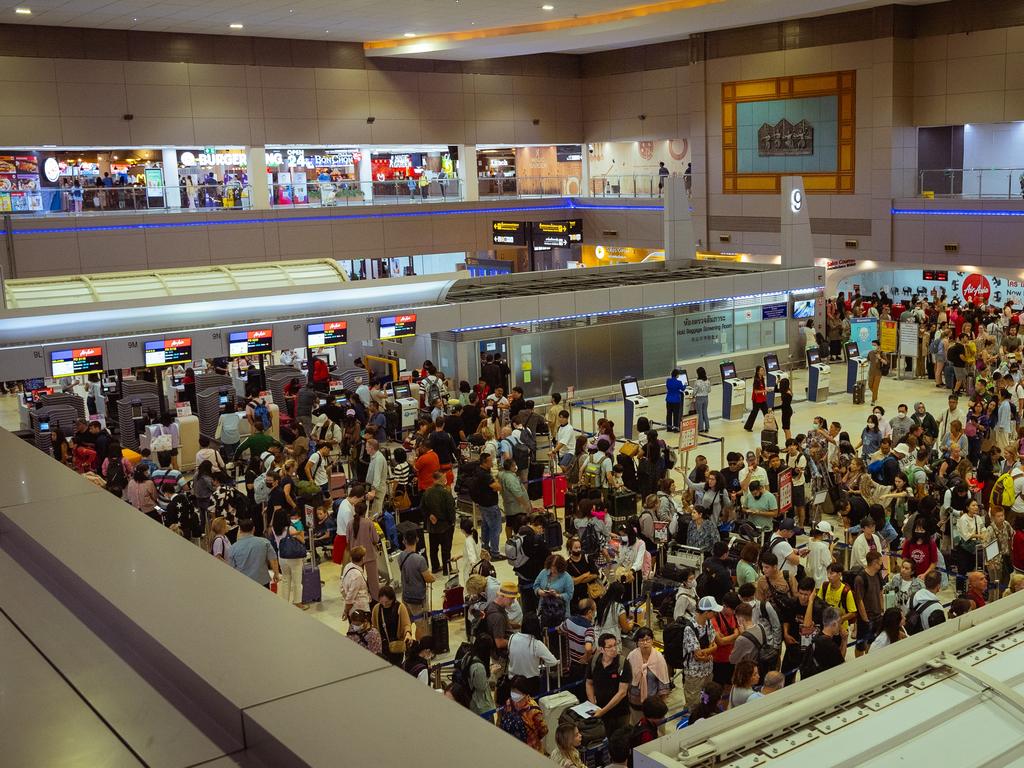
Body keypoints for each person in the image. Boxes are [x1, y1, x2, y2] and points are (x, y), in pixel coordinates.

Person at [677, 597, 719, 712]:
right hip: (694, 674)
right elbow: (698, 655)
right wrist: (711, 650)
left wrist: (706, 652)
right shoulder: (689, 628)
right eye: (713, 611)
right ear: (706, 612)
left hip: (708, 670)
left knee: (706, 700)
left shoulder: (708, 623)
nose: (715, 614)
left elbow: (712, 644)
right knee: (694, 704)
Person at [586, 632, 631, 736]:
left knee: (621, 740)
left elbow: (622, 692)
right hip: (600, 712)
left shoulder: (623, 663)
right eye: (609, 647)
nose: (614, 649)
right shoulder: (594, 662)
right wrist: (593, 704)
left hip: (620, 713)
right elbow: (589, 683)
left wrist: (603, 711)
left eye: (615, 645)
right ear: (601, 649)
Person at [507, 614, 559, 694]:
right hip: (531, 683)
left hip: (513, 681)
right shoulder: (536, 644)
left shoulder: (512, 637)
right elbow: (553, 662)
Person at [398, 529, 434, 637]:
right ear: (417, 539)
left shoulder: (400, 557)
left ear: (404, 541)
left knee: (406, 625)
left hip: (405, 596)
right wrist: (433, 577)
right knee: (422, 626)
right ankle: (421, 649)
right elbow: (428, 578)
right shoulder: (420, 559)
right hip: (418, 599)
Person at [421, 470, 456, 575]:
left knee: (433, 548)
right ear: (441, 479)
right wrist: (452, 521)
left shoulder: (427, 492)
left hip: (432, 526)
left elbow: (422, 507)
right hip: (445, 525)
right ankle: (447, 569)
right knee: (446, 549)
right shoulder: (445, 493)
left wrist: (429, 515)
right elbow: (450, 509)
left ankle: (435, 567)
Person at [228, 518, 280, 588]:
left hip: (243, 582)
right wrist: (276, 573)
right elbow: (273, 559)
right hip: (262, 581)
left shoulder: (233, 547)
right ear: (253, 529)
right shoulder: (264, 542)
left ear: (240, 530)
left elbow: (232, 567)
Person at [346, 500, 381, 602]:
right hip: (369, 554)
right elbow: (376, 539)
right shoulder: (369, 523)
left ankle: (358, 598)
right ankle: (375, 600)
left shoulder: (350, 524)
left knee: (356, 579)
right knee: (373, 580)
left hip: (356, 555)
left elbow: (347, 540)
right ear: (365, 511)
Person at [371, 585, 414, 666]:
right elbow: (374, 626)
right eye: (381, 601)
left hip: (397, 645)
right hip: (383, 646)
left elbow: (406, 624)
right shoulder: (376, 609)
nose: (384, 604)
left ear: (392, 599)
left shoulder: (400, 607)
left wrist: (408, 633)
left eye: (387, 602)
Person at [470, 452, 503, 557]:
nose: (492, 463)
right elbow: (497, 487)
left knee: (486, 527)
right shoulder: (485, 475)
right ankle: (495, 552)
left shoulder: (477, 471)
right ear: (485, 462)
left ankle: (485, 547)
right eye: (490, 461)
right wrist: (497, 482)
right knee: (495, 528)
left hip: (482, 504)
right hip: (490, 505)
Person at [853, 551, 885, 656]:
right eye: (880, 562)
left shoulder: (878, 575)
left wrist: (881, 611)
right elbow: (859, 600)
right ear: (874, 563)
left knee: (872, 643)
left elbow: (880, 593)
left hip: (877, 616)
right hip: (866, 618)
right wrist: (865, 619)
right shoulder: (860, 579)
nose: (881, 565)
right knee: (861, 644)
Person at [465, 633, 496, 716]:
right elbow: (482, 686)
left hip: (472, 699)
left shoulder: (468, 655)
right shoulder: (479, 667)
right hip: (481, 705)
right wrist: (492, 672)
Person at [341, 545, 371, 621]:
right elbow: (351, 597)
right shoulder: (357, 575)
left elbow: (341, 585)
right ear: (363, 558)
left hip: (352, 607)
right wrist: (345, 611)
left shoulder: (348, 566)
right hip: (359, 609)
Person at [743, 366, 769, 432]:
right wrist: (765, 391)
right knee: (754, 413)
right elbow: (756, 391)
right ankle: (748, 427)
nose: (763, 371)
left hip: (762, 398)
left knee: (766, 412)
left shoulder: (762, 378)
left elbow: (762, 388)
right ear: (758, 372)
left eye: (763, 370)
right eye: (761, 370)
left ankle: (772, 426)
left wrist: (765, 390)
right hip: (756, 399)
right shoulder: (756, 380)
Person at [692, 367, 711, 433]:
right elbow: (709, 390)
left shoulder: (697, 382)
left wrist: (693, 396)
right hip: (706, 398)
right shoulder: (707, 381)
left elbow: (694, 392)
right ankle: (707, 427)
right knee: (705, 412)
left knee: (699, 413)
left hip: (699, 398)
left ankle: (700, 428)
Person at [867, 338, 884, 405]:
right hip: (871, 372)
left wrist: (880, 358)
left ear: (878, 346)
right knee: (870, 386)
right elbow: (868, 360)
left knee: (875, 387)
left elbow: (886, 362)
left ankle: (873, 400)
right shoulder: (870, 353)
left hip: (878, 373)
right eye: (872, 345)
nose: (873, 346)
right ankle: (875, 395)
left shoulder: (882, 353)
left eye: (874, 345)